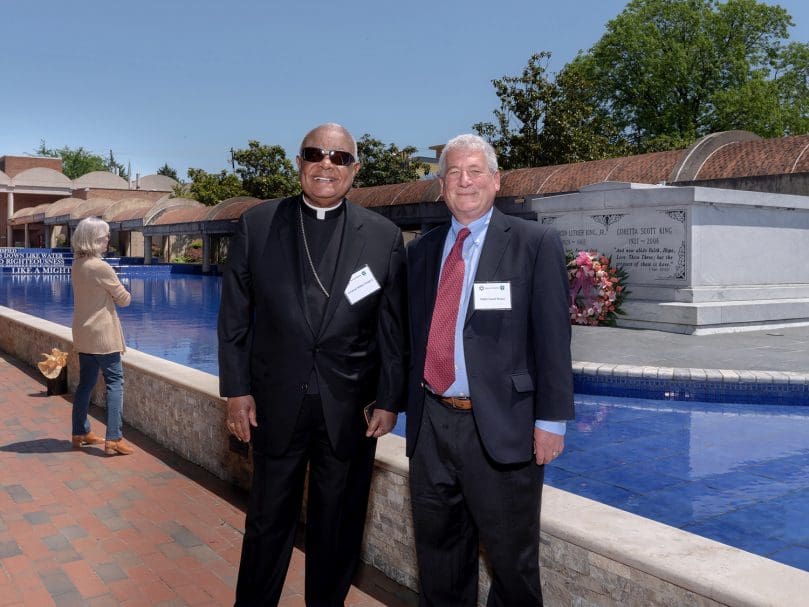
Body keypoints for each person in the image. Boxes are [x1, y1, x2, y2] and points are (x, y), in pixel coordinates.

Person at [218, 123, 408, 606]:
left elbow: (391, 327)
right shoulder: (258, 225)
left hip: (350, 409)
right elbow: (234, 317)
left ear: (355, 170)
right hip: (275, 402)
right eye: (315, 154)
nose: (327, 164)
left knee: (339, 526)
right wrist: (236, 392)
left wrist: (389, 398)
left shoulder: (383, 237)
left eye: (339, 157)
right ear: (299, 163)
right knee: (266, 524)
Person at [405, 134, 574, 606]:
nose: (464, 181)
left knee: (513, 567)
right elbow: (407, 335)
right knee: (438, 560)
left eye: (475, 171)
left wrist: (551, 420)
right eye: (453, 173)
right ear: (441, 186)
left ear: (496, 180)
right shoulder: (421, 251)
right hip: (432, 425)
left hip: (505, 427)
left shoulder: (534, 242)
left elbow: (554, 338)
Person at [70, 216, 134, 456]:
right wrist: (123, 288)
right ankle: (114, 438)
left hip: (84, 333)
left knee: (85, 385)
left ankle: (80, 432)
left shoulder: (77, 264)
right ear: (94, 239)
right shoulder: (100, 266)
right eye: (105, 236)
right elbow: (124, 299)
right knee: (115, 384)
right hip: (104, 336)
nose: (108, 240)